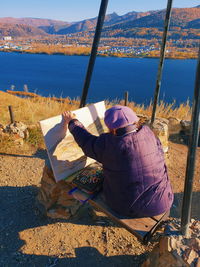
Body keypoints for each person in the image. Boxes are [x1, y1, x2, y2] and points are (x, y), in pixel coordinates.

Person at [62, 105, 174, 218]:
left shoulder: (110, 143)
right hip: (163, 201)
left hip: (127, 207)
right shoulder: (149, 134)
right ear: (135, 121)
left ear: (113, 128)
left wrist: (72, 121)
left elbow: (86, 141)